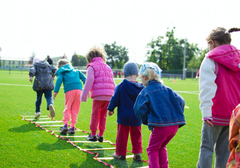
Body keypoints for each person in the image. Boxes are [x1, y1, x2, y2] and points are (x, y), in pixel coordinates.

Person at [197, 27, 240, 168]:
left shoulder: (210, 59)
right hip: (234, 115)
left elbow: (206, 88)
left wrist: (206, 112)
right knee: (224, 151)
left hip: (214, 114)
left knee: (206, 149)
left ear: (212, 43)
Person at [134, 62, 186, 168]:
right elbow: (181, 101)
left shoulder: (145, 91)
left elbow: (138, 108)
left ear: (144, 77)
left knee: (152, 149)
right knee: (161, 147)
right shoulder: (168, 89)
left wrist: (147, 120)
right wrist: (176, 115)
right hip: (174, 126)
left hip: (161, 127)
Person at [108, 61, 144, 161]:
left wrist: (111, 109)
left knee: (121, 136)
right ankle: (137, 153)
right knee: (137, 135)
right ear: (137, 74)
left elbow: (114, 99)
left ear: (124, 74)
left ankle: (120, 154)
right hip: (137, 117)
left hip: (123, 117)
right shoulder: (142, 87)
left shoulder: (120, 86)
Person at [81, 46, 115, 142]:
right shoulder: (108, 67)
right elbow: (113, 82)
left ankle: (93, 135)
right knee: (103, 115)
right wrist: (115, 97)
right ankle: (101, 135)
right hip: (109, 96)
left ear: (90, 59)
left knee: (95, 114)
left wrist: (84, 95)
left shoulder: (91, 66)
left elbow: (89, 80)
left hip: (98, 95)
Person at [53, 59, 86, 134]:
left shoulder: (62, 71)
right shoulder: (76, 70)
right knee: (75, 109)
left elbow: (59, 80)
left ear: (60, 66)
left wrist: (55, 91)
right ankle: (72, 127)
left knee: (67, 108)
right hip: (79, 90)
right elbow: (84, 79)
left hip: (70, 91)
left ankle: (65, 125)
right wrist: (88, 89)